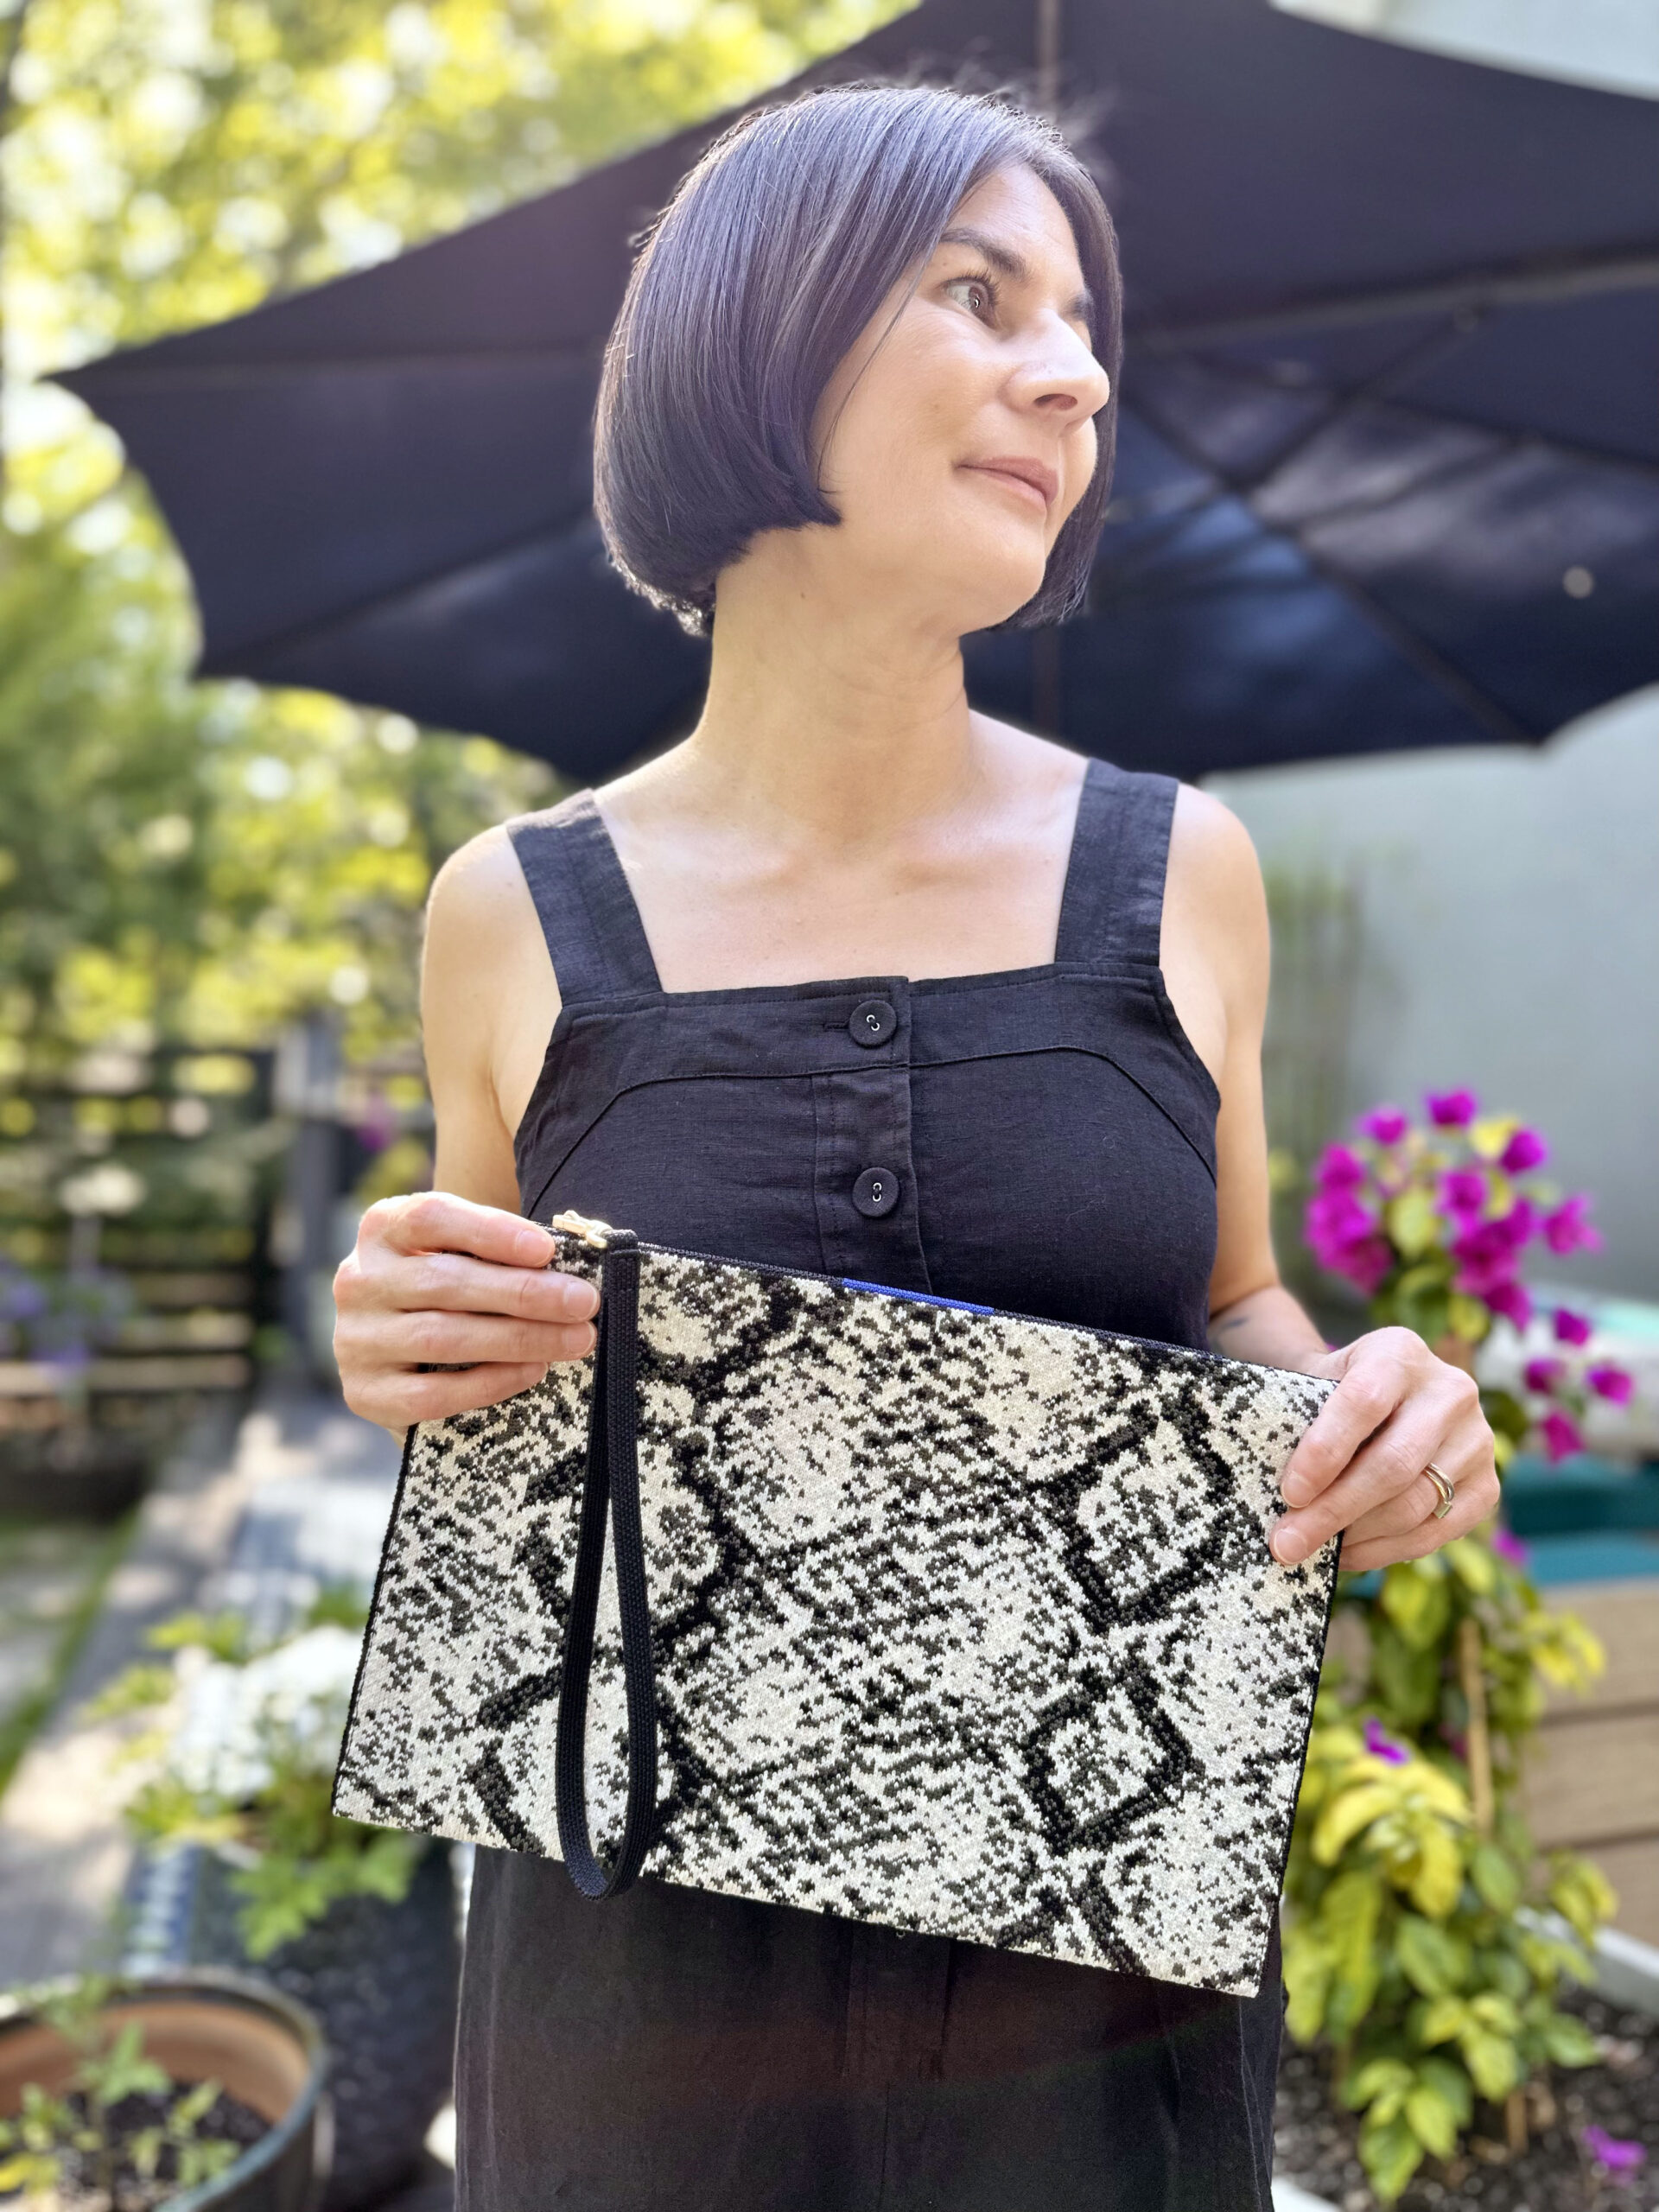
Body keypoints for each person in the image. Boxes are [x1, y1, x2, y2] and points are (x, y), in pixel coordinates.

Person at [334, 79, 1499, 2212]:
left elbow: (1237, 1299)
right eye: (980, 293)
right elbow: (491, 1402)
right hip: (635, 2017)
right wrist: (403, 1325)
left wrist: (1372, 1410)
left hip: (1100, 2023)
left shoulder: (1189, 872)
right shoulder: (508, 908)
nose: (1073, 377)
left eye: (1084, 331)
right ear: (758, 333)